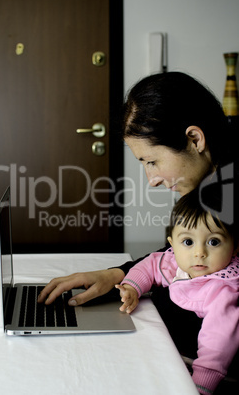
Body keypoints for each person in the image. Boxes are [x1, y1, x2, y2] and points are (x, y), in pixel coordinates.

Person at [38, 71, 238, 307]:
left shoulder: (226, 196)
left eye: (152, 161)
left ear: (194, 139)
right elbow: (179, 254)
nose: (151, 180)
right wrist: (117, 275)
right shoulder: (214, 179)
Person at [115, 188, 239, 395]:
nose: (199, 253)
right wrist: (132, 287)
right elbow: (151, 265)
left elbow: (218, 341)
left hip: (204, 370)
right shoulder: (175, 259)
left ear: (235, 247)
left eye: (214, 242)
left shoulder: (223, 290)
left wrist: (200, 385)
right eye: (188, 242)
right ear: (172, 244)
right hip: (168, 348)